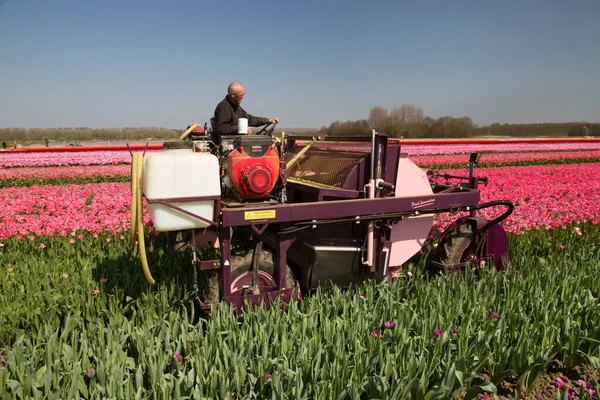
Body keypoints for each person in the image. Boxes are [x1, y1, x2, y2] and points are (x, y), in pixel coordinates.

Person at [211, 82, 279, 145]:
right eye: (241, 95)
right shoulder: (224, 107)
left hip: (236, 142)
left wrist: (268, 120)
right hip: (228, 144)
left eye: (244, 94)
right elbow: (222, 128)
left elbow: (249, 119)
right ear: (233, 95)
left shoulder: (236, 107)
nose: (243, 97)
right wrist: (241, 129)